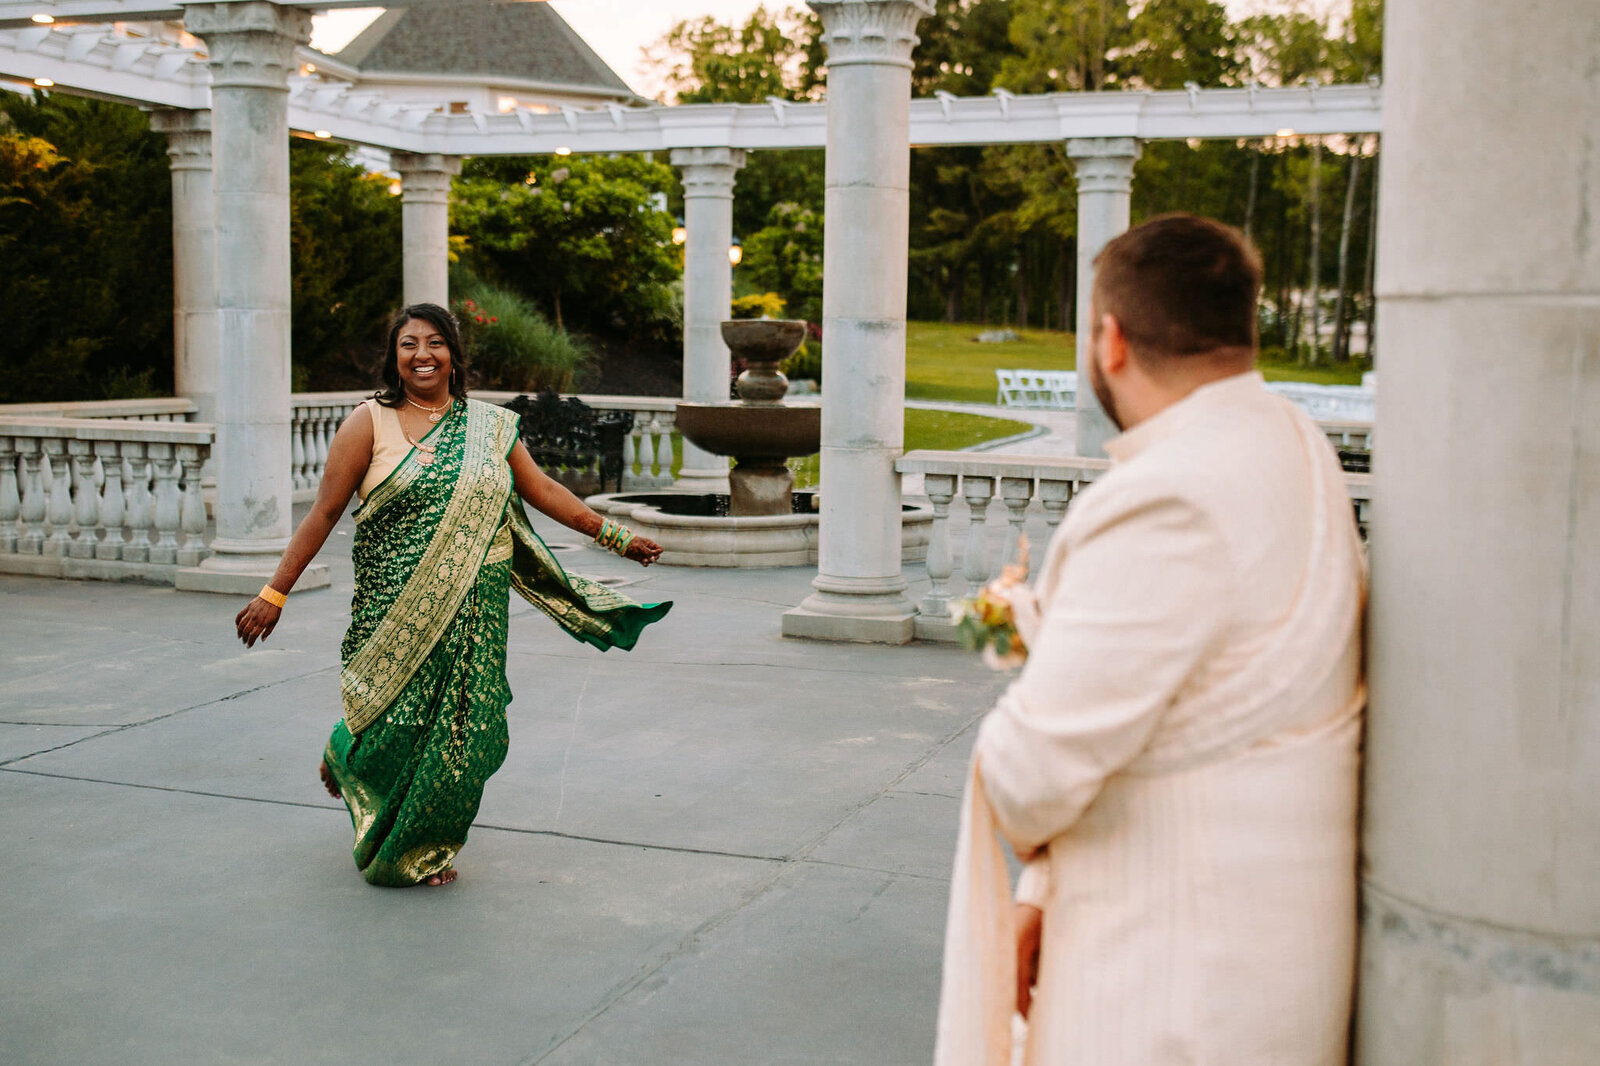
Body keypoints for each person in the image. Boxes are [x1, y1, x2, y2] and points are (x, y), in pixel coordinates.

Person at [936, 215, 1366, 1064]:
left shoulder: (1168, 496)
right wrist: (1044, 892)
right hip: (1273, 963)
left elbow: (1032, 774)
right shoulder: (1296, 442)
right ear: (1244, 328)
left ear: (1111, 340)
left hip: (1171, 986)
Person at [234, 303, 671, 888]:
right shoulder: (369, 422)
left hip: (478, 608)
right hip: (394, 602)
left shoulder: (489, 427)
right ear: (394, 356)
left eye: (435, 342)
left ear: (453, 356)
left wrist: (615, 536)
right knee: (393, 720)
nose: (422, 354)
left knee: (467, 731)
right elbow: (325, 512)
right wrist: (274, 592)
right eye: (409, 343)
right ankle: (349, 751)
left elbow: (539, 488)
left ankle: (419, 846)